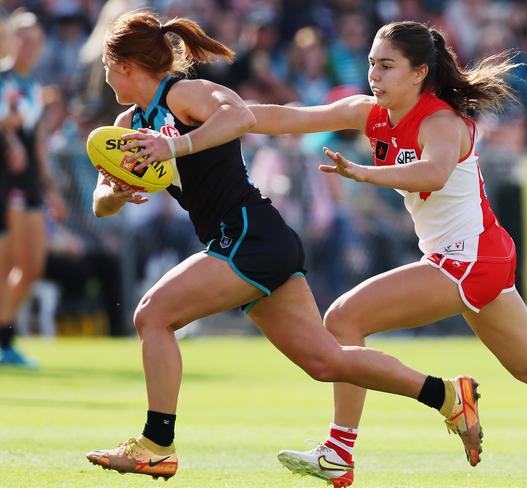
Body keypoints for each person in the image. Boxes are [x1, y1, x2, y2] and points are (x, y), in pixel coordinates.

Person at [242, 21, 527, 488]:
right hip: (472, 256)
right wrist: (211, 114)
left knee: (342, 321)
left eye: (387, 65)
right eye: (373, 63)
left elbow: (434, 173)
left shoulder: (441, 121)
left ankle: (340, 451)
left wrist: (362, 173)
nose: (374, 73)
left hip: (469, 258)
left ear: (419, 73)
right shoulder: (369, 112)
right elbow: (285, 118)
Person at [85, 11, 484, 483]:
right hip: (245, 242)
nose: (104, 76)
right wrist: (116, 191)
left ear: (125, 65)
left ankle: (156, 444)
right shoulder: (128, 124)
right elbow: (100, 204)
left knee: (152, 314)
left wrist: (176, 148)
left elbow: (239, 113)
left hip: (249, 234)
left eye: (107, 66)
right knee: (326, 361)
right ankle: (446, 396)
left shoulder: (182, 94)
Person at [0, 11, 65, 367]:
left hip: (29, 184)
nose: (29, 45)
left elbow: (38, 141)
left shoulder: (35, 86)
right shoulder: (3, 78)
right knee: (5, 263)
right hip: (5, 179)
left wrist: (51, 188)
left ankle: (3, 335)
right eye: (22, 37)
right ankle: (5, 341)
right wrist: (10, 137)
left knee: (32, 267)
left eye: (36, 39)